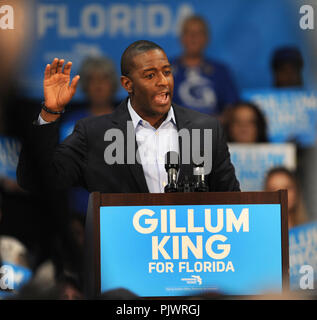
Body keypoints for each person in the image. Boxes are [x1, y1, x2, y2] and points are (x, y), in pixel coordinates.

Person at [17, 40, 240, 196]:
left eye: (167, 72)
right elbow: (38, 181)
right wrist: (49, 112)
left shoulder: (205, 129)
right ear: (127, 84)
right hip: (124, 257)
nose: (163, 81)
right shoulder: (94, 134)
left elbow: (231, 200)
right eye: (150, 75)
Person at [171, 15, 239, 116]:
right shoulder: (166, 70)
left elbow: (232, 106)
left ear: (206, 38)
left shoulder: (220, 71)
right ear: (181, 38)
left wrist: (216, 124)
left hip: (213, 129)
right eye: (189, 33)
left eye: (199, 33)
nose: (193, 37)